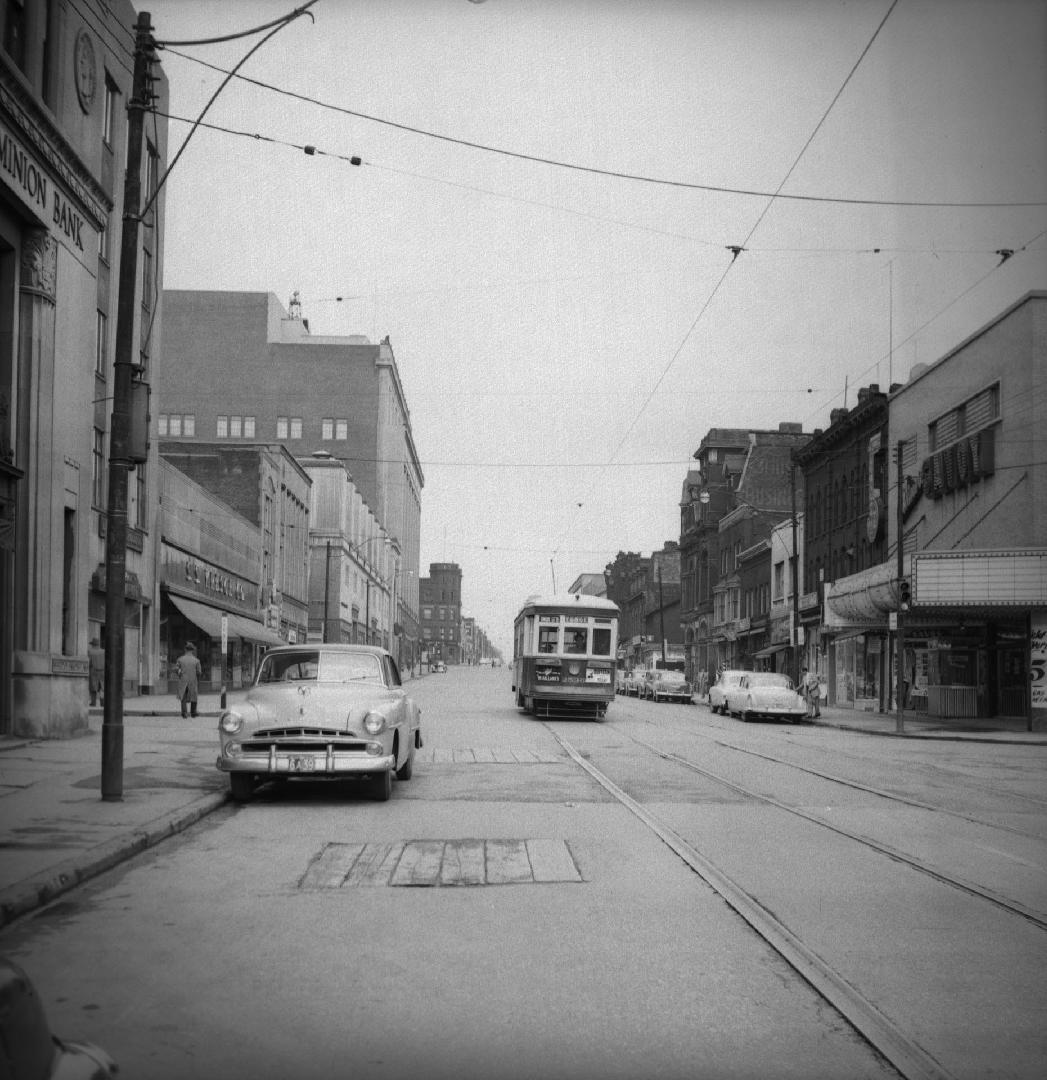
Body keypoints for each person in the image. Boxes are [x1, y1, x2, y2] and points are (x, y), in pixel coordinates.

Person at [176, 642, 202, 718]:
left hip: (183, 680)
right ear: (192, 650)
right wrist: (197, 678)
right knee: (194, 696)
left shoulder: (180, 659)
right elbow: (199, 672)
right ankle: (193, 713)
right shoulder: (196, 660)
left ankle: (184, 713)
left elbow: (176, 669)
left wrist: (180, 674)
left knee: (183, 697)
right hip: (193, 681)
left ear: (185, 650)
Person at [88, 637, 104, 707]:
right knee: (101, 687)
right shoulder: (104, 651)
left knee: (93, 687)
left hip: (93, 671)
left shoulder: (90, 652)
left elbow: (89, 662)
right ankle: (102, 702)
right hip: (102, 671)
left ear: (93, 645)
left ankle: (93, 702)